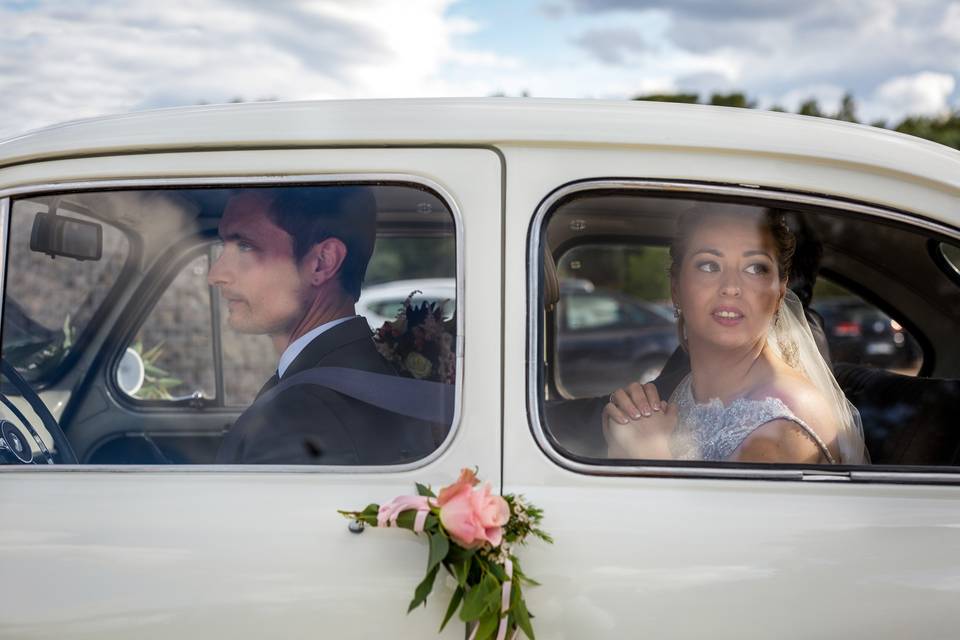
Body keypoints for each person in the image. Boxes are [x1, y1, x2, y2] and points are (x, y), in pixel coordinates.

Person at [603, 205, 869, 464]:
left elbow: (703, 511)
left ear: (778, 292)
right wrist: (622, 437)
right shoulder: (688, 388)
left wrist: (649, 453)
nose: (731, 287)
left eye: (755, 268)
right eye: (709, 265)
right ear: (676, 288)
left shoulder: (784, 421)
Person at [209, 186, 437, 464]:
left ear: (322, 263)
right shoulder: (337, 380)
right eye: (224, 247)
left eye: (245, 246)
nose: (216, 274)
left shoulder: (300, 415)